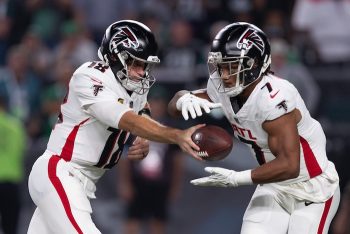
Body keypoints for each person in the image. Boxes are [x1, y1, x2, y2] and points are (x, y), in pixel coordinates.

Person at [27, 20, 204, 234]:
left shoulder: (135, 85)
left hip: (83, 181)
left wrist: (144, 136)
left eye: (145, 66)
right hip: (60, 171)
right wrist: (176, 136)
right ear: (114, 56)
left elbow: (142, 108)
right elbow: (125, 118)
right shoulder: (90, 76)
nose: (141, 72)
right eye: (136, 64)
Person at [168, 22, 340, 234]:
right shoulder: (224, 85)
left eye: (231, 66)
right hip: (274, 184)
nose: (224, 75)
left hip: (311, 188)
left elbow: (290, 165)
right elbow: (174, 108)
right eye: (220, 66)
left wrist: (235, 178)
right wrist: (182, 100)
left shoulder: (273, 97)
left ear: (255, 63)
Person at [118, 85, 184, 234]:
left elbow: (177, 161)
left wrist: (175, 187)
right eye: (153, 101)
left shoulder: (172, 129)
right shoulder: (135, 125)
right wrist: (124, 182)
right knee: (132, 222)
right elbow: (124, 157)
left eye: (160, 102)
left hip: (161, 184)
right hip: (138, 181)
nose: (157, 106)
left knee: (158, 223)